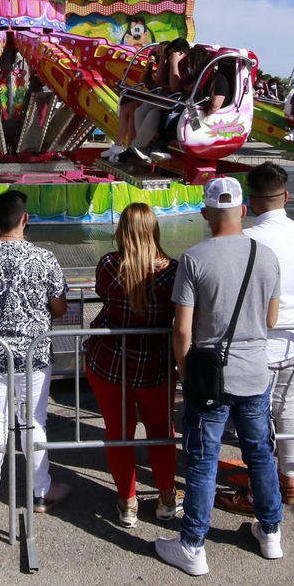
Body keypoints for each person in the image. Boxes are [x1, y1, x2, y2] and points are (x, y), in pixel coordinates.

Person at [156, 178, 284, 575]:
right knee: (260, 453)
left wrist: (183, 368)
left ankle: (193, 544)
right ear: (243, 211)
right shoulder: (267, 256)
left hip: (209, 378)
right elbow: (272, 318)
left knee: (202, 460)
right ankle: (271, 531)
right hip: (255, 372)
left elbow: (182, 329)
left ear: (206, 214)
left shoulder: (194, 259)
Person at [0, 189, 71, 515]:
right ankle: (40, 491)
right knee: (34, 420)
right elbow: (59, 307)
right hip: (34, 353)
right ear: (26, 219)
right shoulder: (45, 258)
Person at [219, 164, 294, 513]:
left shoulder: (252, 239)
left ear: (251, 201)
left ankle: (261, 491)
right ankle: (288, 478)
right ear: (285, 195)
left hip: (260, 343)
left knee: (256, 422)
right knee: (288, 408)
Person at [83, 203, 181, 527]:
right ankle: (167, 498)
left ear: (122, 231)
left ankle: (127, 502)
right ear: (155, 229)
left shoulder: (110, 265)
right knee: (161, 433)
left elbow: (102, 294)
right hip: (156, 365)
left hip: (111, 363)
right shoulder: (172, 270)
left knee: (119, 433)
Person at [125, 38, 190, 165]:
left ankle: (136, 148)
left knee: (153, 113)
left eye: (171, 54)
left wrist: (174, 63)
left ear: (180, 53)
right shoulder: (170, 62)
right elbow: (159, 80)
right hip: (168, 99)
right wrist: (163, 60)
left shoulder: (185, 65)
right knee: (140, 110)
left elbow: (175, 87)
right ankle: (143, 146)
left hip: (179, 103)